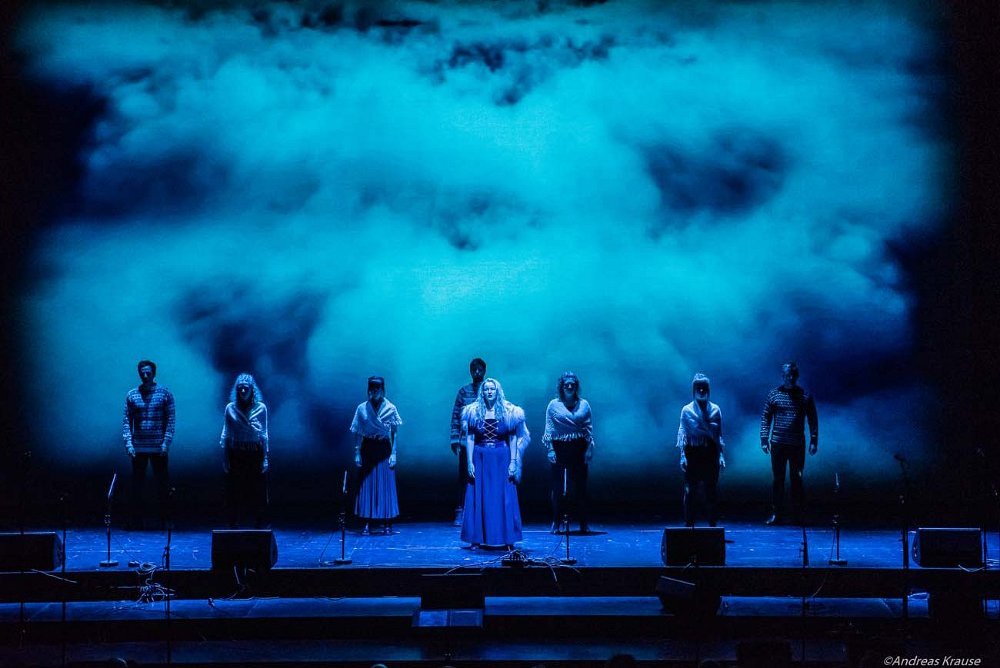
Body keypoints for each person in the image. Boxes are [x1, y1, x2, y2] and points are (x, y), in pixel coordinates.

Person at [460, 377, 529, 549]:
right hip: (481, 456)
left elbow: (513, 438)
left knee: (504, 496)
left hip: (501, 457)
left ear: (497, 391)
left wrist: (513, 462)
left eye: (492, 389)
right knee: (479, 496)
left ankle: (508, 538)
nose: (489, 391)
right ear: (482, 392)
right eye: (486, 389)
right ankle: (476, 538)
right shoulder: (473, 411)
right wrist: (469, 462)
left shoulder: (509, 411)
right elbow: (470, 438)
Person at [760, 361, 818, 525]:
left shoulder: (805, 396)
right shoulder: (774, 394)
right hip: (778, 443)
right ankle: (777, 513)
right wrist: (764, 439)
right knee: (778, 479)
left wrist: (814, 440)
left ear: (797, 376)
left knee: (797, 479)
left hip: (797, 444)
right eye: (787, 375)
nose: (790, 378)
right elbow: (766, 417)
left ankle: (797, 514)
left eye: (793, 375)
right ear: (783, 376)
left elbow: (813, 419)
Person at [122, 360, 175, 530]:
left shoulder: (164, 393)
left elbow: (170, 420)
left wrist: (166, 442)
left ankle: (165, 520)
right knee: (137, 487)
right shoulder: (132, 394)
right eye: (142, 372)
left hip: (158, 446)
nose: (145, 375)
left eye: (148, 372)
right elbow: (126, 421)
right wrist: (129, 444)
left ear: (154, 373)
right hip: (139, 447)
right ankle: (136, 521)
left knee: (163, 485)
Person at [542, 372, 594, 534]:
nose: (570, 387)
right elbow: (549, 429)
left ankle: (583, 523)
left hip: (578, 447)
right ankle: (556, 521)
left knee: (580, 487)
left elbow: (588, 428)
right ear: (562, 387)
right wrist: (550, 449)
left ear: (576, 386)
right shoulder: (553, 405)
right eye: (567, 384)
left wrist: (589, 448)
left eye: (572, 384)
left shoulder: (584, 404)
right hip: (559, 447)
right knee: (557, 487)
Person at [351, 376, 402, 535]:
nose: (375, 391)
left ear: (382, 390)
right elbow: (358, 431)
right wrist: (357, 452)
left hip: (384, 449)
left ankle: (387, 523)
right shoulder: (362, 408)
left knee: (385, 485)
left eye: (377, 388)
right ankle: (366, 522)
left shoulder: (390, 408)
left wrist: (394, 453)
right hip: (368, 447)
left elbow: (394, 433)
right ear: (369, 390)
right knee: (367, 485)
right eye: (372, 388)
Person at [220, 373, 270, 528]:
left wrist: (265, 458)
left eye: (245, 388)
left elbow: (264, 434)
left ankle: (260, 523)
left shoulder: (260, 408)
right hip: (236, 452)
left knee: (257, 489)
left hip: (254, 452)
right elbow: (226, 434)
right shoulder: (230, 408)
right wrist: (225, 458)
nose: (242, 391)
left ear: (251, 389)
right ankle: (233, 522)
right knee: (234, 489)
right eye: (240, 388)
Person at [677, 373, 726, 527]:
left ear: (708, 390)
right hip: (693, 451)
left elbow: (718, 435)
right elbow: (683, 433)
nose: (701, 391)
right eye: (698, 388)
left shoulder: (715, 410)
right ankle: (689, 522)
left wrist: (721, 455)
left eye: (704, 388)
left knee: (711, 489)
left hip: (710, 452)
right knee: (691, 490)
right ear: (694, 390)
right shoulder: (687, 410)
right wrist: (683, 456)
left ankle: (712, 524)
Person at [450, 358, 486, 526]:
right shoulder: (464, 392)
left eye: (480, 369)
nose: (477, 372)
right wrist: (455, 439)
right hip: (466, 441)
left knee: (483, 476)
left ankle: (481, 511)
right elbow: (456, 415)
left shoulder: (489, 389)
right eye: (474, 370)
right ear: (470, 372)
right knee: (464, 476)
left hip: (485, 441)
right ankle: (460, 510)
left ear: (484, 371)